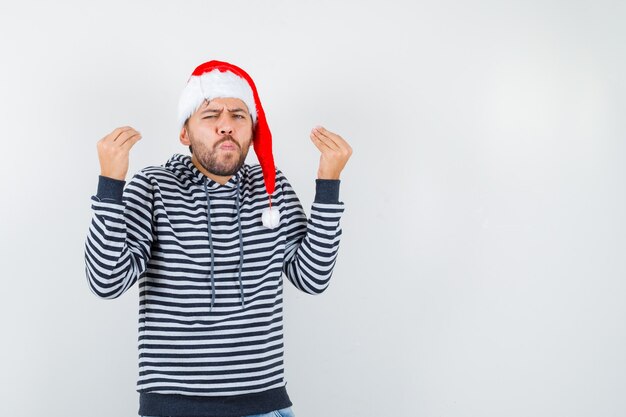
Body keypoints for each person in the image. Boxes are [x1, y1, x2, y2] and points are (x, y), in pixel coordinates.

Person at [84, 60, 352, 417]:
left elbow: (312, 277)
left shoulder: (273, 190)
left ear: (252, 130)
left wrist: (328, 184)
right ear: (185, 133)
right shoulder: (153, 187)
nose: (227, 125)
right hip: (173, 409)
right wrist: (110, 186)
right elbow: (106, 281)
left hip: (266, 406)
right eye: (211, 115)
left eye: (239, 116)